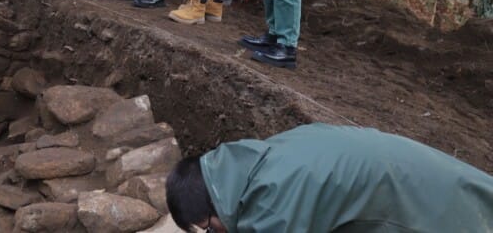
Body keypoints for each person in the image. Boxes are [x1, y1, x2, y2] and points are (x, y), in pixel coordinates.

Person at [166, 123, 493, 232]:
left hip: (424, 208)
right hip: (422, 174)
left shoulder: (272, 203)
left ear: (213, 203)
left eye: (209, 228)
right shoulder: (259, 162)